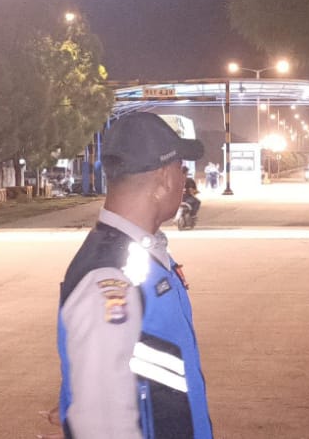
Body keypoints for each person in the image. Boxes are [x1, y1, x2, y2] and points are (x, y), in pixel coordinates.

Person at [57, 112, 213, 438]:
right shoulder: (109, 278)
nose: (184, 180)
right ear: (165, 178)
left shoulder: (140, 256)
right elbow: (100, 426)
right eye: (182, 169)